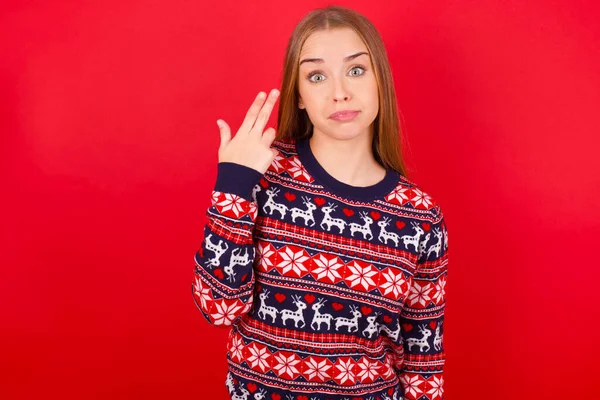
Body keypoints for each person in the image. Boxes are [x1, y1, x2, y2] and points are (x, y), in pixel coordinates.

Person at [192, 5, 448, 400]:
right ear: (298, 96)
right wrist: (234, 184)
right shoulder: (262, 172)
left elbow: (422, 361)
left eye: (356, 70)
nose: (340, 91)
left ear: (381, 79)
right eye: (316, 75)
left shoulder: (420, 216)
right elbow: (218, 307)